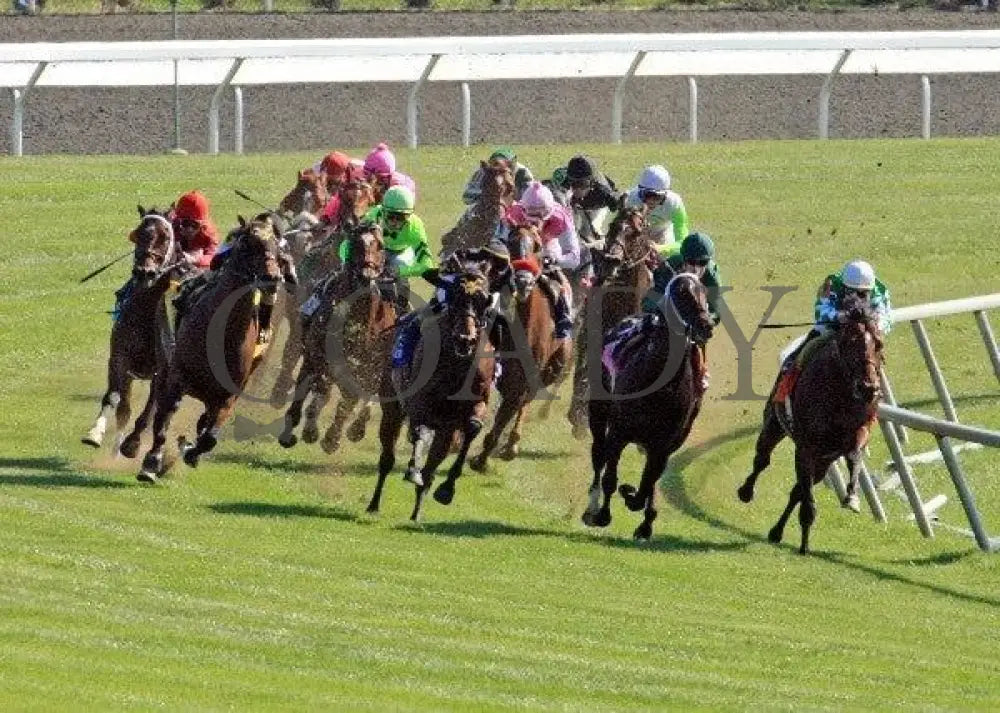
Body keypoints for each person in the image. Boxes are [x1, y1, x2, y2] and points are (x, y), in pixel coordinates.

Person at [775, 259, 892, 400]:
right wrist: (840, 316)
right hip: (832, 329)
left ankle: (878, 392)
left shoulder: (879, 290)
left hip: (866, 331)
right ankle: (788, 379)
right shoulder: (831, 285)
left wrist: (872, 324)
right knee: (808, 349)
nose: (858, 296)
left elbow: (886, 318)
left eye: (864, 293)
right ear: (844, 286)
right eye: (853, 291)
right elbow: (821, 310)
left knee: (871, 353)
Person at [113, 190, 220, 322]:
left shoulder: (209, 234)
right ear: (177, 219)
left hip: (196, 272)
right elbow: (134, 236)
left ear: (203, 224)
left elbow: (213, 259)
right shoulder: (169, 225)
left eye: (195, 225)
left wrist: (195, 258)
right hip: (169, 266)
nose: (189, 229)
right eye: (185, 224)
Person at [496, 181, 579, 340]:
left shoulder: (561, 218)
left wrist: (556, 260)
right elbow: (499, 241)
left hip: (548, 246)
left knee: (560, 281)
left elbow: (575, 257)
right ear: (523, 210)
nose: (536, 222)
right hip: (519, 246)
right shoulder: (512, 215)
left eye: (541, 216)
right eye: (531, 217)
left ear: (549, 212)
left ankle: (564, 317)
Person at [625, 164, 689, 256]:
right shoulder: (630, 199)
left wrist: (661, 248)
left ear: (666, 194)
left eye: (657, 197)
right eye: (646, 195)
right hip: (635, 235)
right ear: (640, 191)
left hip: (663, 234)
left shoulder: (675, 204)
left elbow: (683, 242)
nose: (650, 201)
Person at [461, 147, 534, 204]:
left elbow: (532, 201)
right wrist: (487, 195)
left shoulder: (524, 173)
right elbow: (467, 197)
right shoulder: (482, 172)